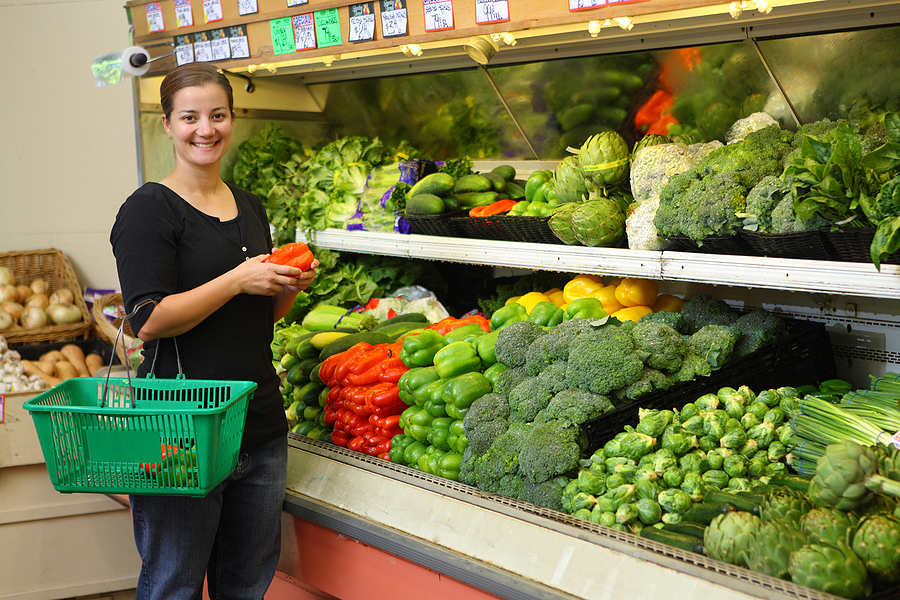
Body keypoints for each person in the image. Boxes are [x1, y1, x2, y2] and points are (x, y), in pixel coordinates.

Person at [110, 62, 316, 600]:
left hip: (258, 424)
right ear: (168, 124)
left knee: (246, 585)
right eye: (190, 117)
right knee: (174, 583)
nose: (206, 129)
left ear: (232, 118)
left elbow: (262, 320)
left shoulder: (249, 206)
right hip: (180, 427)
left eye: (218, 115)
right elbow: (146, 320)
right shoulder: (148, 209)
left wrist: (289, 284)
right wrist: (236, 279)